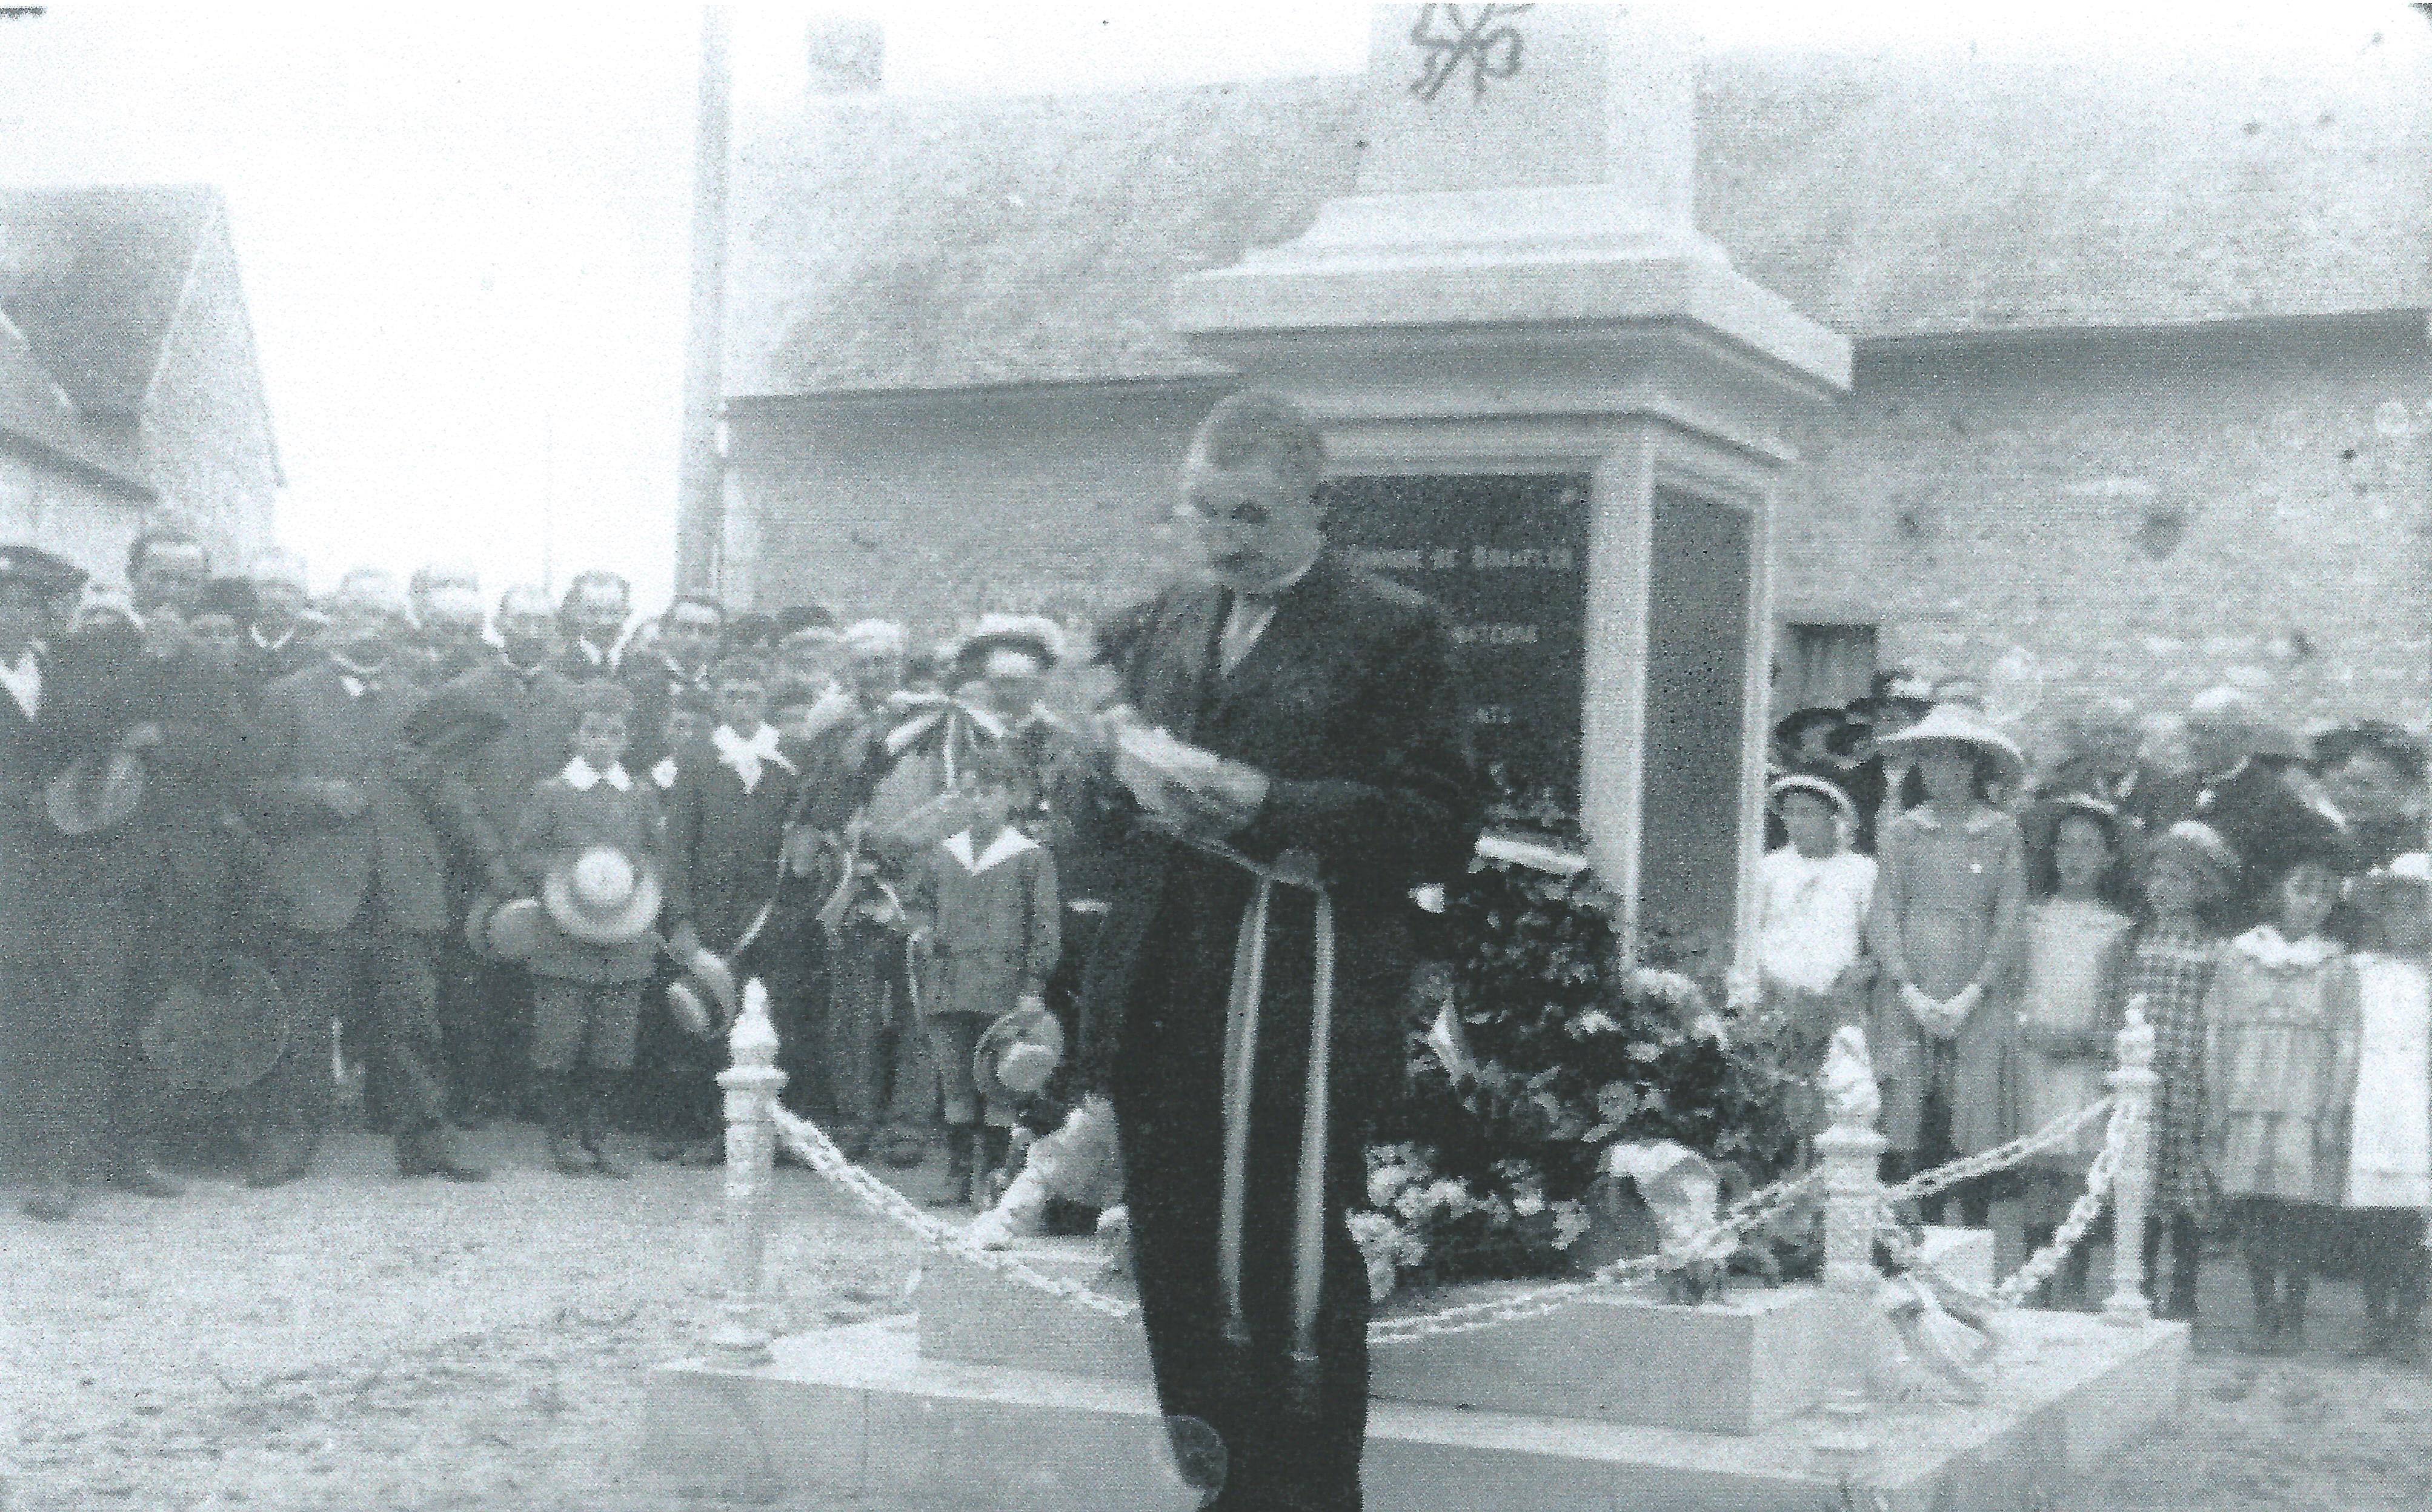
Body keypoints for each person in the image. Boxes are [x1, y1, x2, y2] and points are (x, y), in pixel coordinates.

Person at [1071, 391, 1479, 1511]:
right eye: (1203, 512)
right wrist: (1101, 772)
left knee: (1289, 1275)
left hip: (1295, 995)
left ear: (1316, 506)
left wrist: (1270, 800)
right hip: (1162, 994)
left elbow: (1440, 819)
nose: (1223, 539)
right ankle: (1212, 1493)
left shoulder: (1394, 630)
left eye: (1248, 515)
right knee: (1175, 1277)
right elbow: (1105, 825)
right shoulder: (1166, 618)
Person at [244, 569, 495, 1188]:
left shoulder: (421, 701)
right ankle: (290, 1138)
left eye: (385, 618)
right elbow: (251, 792)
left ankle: (426, 1140)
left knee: (413, 1019)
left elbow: (449, 795)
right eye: (360, 613)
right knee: (304, 1018)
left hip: (402, 885)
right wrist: (316, 794)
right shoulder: (289, 695)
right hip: (318, 887)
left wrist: (495, 863)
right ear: (335, 618)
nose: (372, 629)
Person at [421, 585, 582, 1126]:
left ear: (555, 631)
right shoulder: (466, 691)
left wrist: (554, 858)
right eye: (522, 622)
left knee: (546, 977)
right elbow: (451, 780)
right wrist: (489, 857)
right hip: (479, 859)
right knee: (472, 978)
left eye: (543, 623)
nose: (532, 634)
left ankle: (531, 1090)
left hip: (552, 866)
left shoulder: (572, 698)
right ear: (500, 626)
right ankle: (473, 1090)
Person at [1865, 703, 2029, 1220]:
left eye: (1956, 762)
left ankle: (1973, 1244)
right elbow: (1885, 911)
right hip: (1910, 981)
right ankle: (1915, 1244)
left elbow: (2009, 917)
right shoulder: (1902, 830)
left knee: (1973, 1118)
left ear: (1975, 768)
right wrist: (1907, 989)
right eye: (1931, 762)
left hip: (1975, 986)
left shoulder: (2000, 831)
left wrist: (1972, 994)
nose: (1944, 774)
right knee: (1913, 1120)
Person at [2205, 835, 2361, 1354]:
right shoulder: (2240, 955)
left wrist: (2333, 1108)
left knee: (2298, 1209)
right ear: (2278, 892)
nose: (2312, 902)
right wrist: (2218, 1097)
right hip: (2249, 1091)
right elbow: (2218, 1030)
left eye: (2324, 894)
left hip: (2304, 1098)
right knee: (2254, 1206)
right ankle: (2261, 1308)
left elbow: (2346, 1040)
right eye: (2301, 889)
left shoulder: (2337, 966)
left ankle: (2294, 1311)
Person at [510, 679, 664, 1178]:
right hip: (565, 930)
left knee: (614, 1043)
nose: (603, 742)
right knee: (560, 1039)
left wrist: (634, 874)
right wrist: (570, 870)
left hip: (624, 932)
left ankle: (599, 1135)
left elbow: (657, 855)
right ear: (575, 737)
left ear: (627, 741)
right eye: (592, 732)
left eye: (614, 734)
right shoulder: (551, 793)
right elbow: (524, 853)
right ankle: (563, 1135)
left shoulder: (639, 795)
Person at [657, 655, 805, 1161]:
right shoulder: (698, 757)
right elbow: (676, 845)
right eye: (731, 697)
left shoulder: (789, 755)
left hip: (771, 916)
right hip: (710, 914)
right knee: (710, 1018)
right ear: (717, 700)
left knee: (775, 1021)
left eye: (753, 697)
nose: (742, 708)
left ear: (766, 700)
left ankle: (773, 1134)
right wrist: (680, 919)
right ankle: (710, 1131)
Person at [904, 748, 1061, 1207]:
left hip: (1002, 988)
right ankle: (957, 1176)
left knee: (999, 1084)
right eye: (970, 793)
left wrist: (1034, 987)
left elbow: (1046, 927)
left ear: (1010, 797)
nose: (978, 803)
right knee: (955, 1082)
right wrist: (925, 930)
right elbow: (920, 905)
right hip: (949, 984)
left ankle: (992, 1178)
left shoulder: (1031, 857)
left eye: (989, 793)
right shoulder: (943, 853)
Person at [2104, 819, 2239, 1320]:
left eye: (2178, 879)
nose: (2162, 888)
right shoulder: (2130, 942)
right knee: (2138, 1182)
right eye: (2156, 876)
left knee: (2184, 1188)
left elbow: (2221, 1018)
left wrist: (2212, 1079)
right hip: (2140, 1081)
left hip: (2188, 1080)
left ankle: (2184, 1293)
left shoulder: (2217, 950)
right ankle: (2135, 1284)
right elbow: (2113, 1004)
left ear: (2203, 889)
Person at [2014, 795, 2136, 1307]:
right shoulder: (2030, 917)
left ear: (2109, 858)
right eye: (2065, 845)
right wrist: (2029, 1030)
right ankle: (2033, 1281)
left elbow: (2118, 998)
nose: (2075, 857)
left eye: (2089, 846)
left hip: (2083, 1059)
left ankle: (2073, 1279)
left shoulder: (2118, 926)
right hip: (2034, 1052)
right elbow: (2016, 985)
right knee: (2038, 1168)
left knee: (2078, 1171)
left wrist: (2091, 1041)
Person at [2336, 858, 2432, 1362]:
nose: (2402, 919)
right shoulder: (2360, 970)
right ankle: (2375, 1322)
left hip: (2418, 1104)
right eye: (2393, 908)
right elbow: (2347, 1039)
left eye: (2414, 909)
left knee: (2415, 1220)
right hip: (2372, 1099)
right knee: (2370, 1217)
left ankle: (2407, 1323)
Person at [2151, 687, 2347, 930]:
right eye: (2190, 730)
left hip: (2234, 927)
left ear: (2242, 738)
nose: (2194, 742)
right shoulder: (2172, 788)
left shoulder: (2275, 797)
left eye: (2207, 733)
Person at [1753, 774, 1877, 1137]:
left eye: (1807, 813)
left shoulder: (1862, 871)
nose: (1796, 823)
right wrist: (1775, 987)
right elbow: (1750, 938)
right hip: (1777, 1000)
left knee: (1835, 1091)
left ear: (1833, 818)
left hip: (1837, 1003)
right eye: (1789, 814)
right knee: (1777, 1089)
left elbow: (1874, 944)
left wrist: (1849, 987)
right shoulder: (1768, 868)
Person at [624, 592, 723, 774]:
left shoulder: (725, 689)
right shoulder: (635, 688)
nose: (695, 640)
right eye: (685, 629)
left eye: (707, 631)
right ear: (664, 632)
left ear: (720, 639)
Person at [2313, 721, 2428, 875]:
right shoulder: (2314, 831)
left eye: (2365, 785)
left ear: (2406, 789)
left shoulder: (2416, 842)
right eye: (2346, 782)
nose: (2351, 794)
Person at [239, 549, 317, 688]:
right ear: (252, 593)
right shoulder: (233, 649)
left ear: (303, 599)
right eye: (268, 587)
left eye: (289, 590)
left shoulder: (315, 658)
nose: (278, 598)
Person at [556, 570, 633, 680]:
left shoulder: (649, 666)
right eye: (592, 612)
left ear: (627, 613)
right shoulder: (558, 667)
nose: (604, 622)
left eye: (613, 612)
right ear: (575, 613)